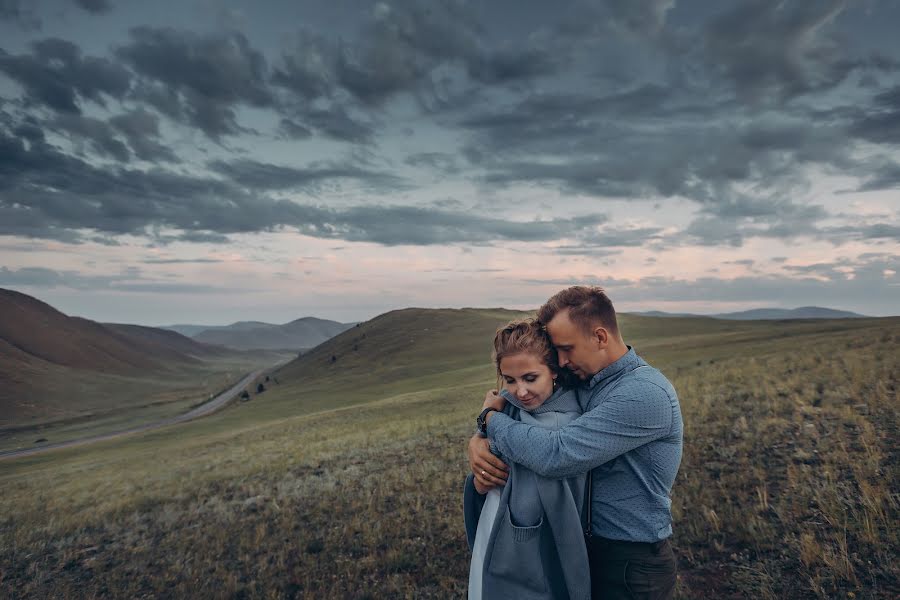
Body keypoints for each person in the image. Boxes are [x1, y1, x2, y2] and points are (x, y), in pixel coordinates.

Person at [469, 286, 683, 600]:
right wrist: (477, 441)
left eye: (567, 348)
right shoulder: (587, 381)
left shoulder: (643, 394)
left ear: (600, 337)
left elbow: (557, 454)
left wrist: (489, 420)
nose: (562, 361)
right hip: (587, 550)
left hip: (630, 563)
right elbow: (524, 399)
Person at [464, 318, 590, 600]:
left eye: (530, 378)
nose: (520, 391)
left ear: (554, 371)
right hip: (493, 536)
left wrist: (487, 419)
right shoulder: (508, 408)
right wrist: (480, 475)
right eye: (510, 380)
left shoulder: (566, 427)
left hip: (529, 562)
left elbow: (565, 527)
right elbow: (488, 464)